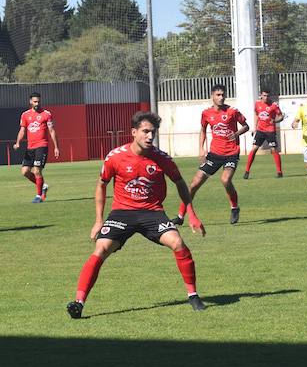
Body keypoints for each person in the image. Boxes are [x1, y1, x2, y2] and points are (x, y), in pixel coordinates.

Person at [66, 111, 207, 319]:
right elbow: (101, 185)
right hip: (122, 213)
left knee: (178, 243)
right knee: (101, 248)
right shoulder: (115, 157)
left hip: (152, 213)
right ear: (134, 132)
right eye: (145, 132)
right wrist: (98, 221)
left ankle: (193, 295)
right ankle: (78, 302)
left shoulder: (162, 159)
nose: (150, 136)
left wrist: (191, 214)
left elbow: (179, 182)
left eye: (153, 132)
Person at [172, 84, 249, 225]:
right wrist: (201, 149)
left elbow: (246, 126)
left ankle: (234, 207)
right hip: (214, 154)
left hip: (231, 153)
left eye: (223, 95)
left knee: (225, 180)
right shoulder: (206, 113)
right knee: (194, 184)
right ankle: (180, 216)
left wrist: (236, 133)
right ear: (212, 96)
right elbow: (202, 130)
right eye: (218, 95)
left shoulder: (232, 111)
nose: (221, 97)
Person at [13, 92, 60, 203]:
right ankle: (43, 186)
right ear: (30, 102)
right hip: (30, 147)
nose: (37, 103)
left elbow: (52, 131)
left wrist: (56, 147)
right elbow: (22, 130)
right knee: (25, 171)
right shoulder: (25, 115)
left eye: (38, 101)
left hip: (42, 145)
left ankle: (38, 196)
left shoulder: (46, 114)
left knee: (37, 170)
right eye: (35, 101)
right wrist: (18, 142)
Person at [243, 89, 284, 179]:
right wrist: (255, 127)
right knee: (254, 149)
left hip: (270, 131)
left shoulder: (274, 105)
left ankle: (279, 172)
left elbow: (281, 116)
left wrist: (275, 120)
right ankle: (246, 171)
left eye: (267, 96)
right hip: (260, 130)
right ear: (261, 95)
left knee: (274, 150)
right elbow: (256, 114)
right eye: (264, 95)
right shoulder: (257, 104)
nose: (266, 97)